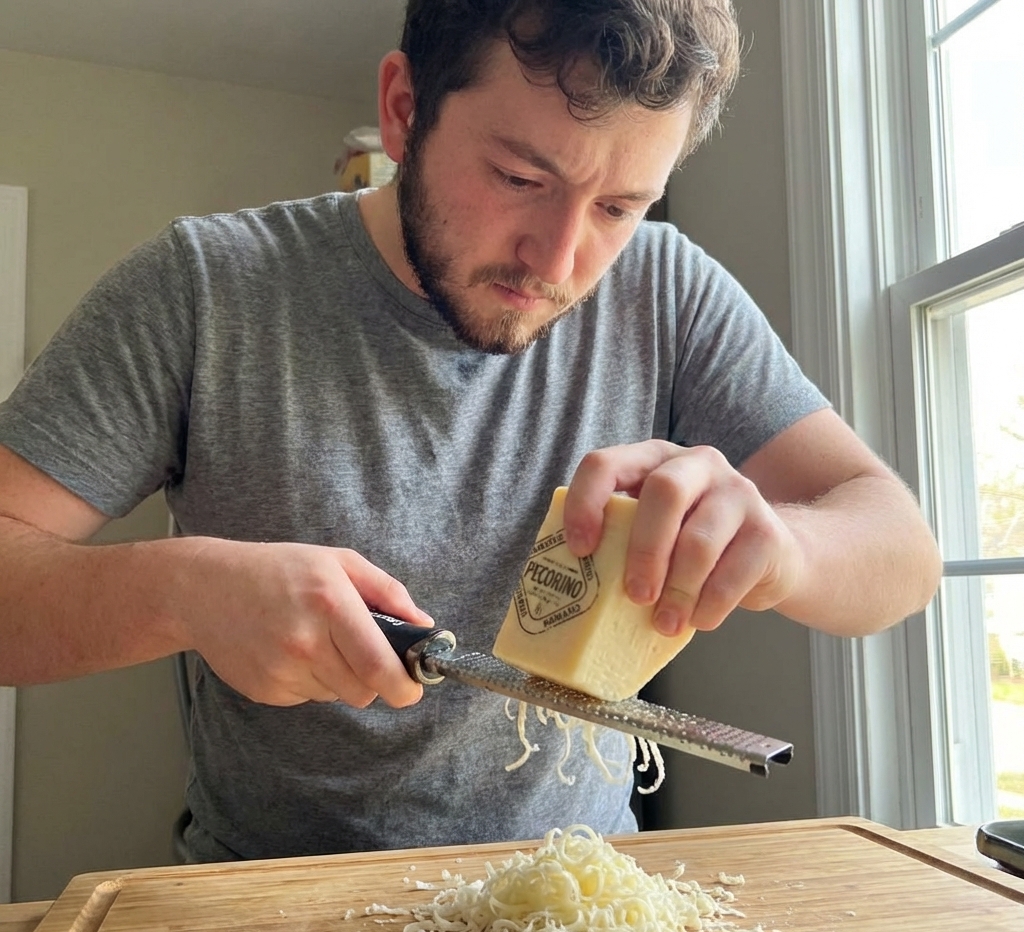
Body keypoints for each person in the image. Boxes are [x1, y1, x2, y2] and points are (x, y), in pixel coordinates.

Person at [0, 0, 941, 863]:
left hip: (581, 893)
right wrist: (182, 593)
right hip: (269, 905)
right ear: (405, 109)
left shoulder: (669, 291)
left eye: (619, 207)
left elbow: (901, 553)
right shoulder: (204, 288)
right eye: (521, 176)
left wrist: (781, 550)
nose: (562, 259)